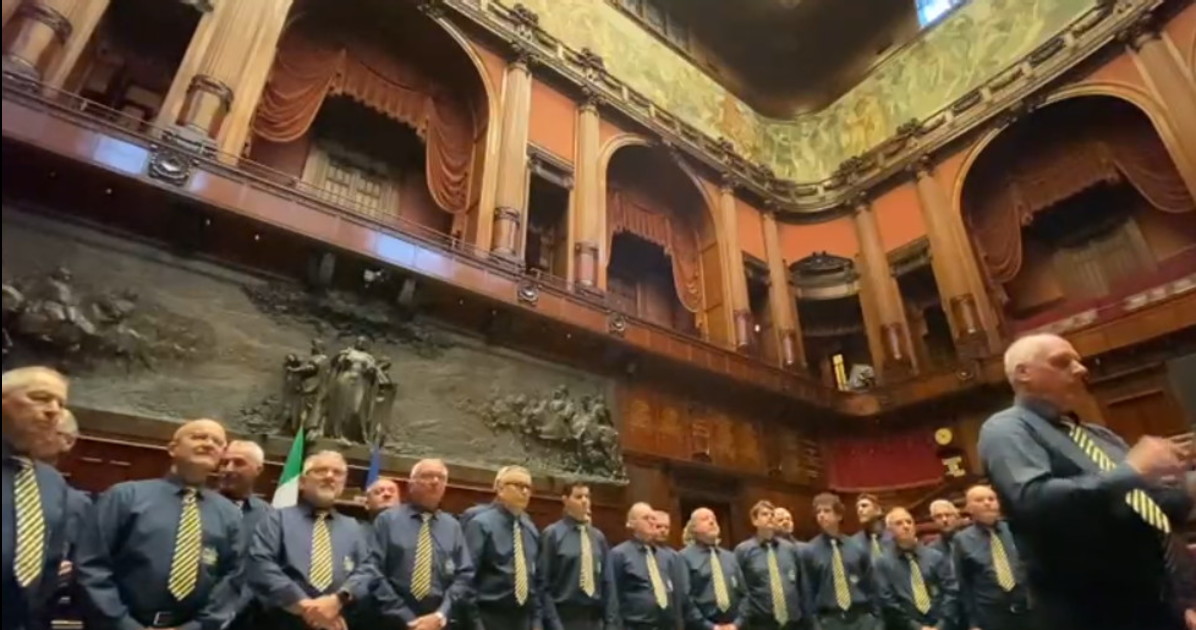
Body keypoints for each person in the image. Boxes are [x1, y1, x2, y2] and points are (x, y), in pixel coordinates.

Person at [978, 333, 1196, 630]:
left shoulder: (1100, 436)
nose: (1081, 369)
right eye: (1062, 362)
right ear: (1023, 373)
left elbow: (1150, 509)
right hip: (1089, 610)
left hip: (1156, 600)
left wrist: (1183, 483)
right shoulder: (1006, 428)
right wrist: (1131, 471)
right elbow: (1034, 500)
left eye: (1078, 361)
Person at [76, 419, 244, 630]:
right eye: (199, 437)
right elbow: (92, 565)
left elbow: (231, 578)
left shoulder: (229, 514)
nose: (209, 444)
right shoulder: (125, 496)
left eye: (218, 442)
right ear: (172, 448)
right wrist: (124, 625)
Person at [249, 451, 374, 630]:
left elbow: (368, 570)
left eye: (337, 473)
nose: (330, 476)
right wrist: (306, 607)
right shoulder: (276, 519)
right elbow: (261, 563)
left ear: (343, 483)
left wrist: (338, 600)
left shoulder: (354, 528)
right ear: (302, 481)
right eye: (321, 470)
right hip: (281, 622)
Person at [2, 366, 73, 630]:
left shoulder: (52, 482)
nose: (54, 410)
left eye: (60, 403)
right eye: (40, 398)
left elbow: (49, 567)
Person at [372, 458, 474, 630]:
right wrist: (408, 619)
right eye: (427, 476)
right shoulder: (387, 521)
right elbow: (373, 571)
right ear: (411, 483)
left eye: (440, 478)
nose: (435, 481)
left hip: (438, 623)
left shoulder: (453, 526)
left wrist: (441, 615)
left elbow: (464, 575)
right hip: (391, 622)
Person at [464, 465, 543, 630]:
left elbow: (534, 581)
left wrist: (536, 622)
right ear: (500, 489)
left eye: (528, 487)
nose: (524, 492)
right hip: (489, 617)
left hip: (522, 620)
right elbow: (467, 580)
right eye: (518, 485)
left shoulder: (530, 529)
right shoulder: (481, 524)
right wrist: (476, 624)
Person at [539, 482, 619, 630]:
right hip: (565, 618)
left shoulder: (598, 537)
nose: (584, 501)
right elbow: (543, 585)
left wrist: (611, 623)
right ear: (565, 500)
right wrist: (554, 625)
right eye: (578, 497)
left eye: (587, 496)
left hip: (595, 619)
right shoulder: (553, 534)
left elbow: (608, 583)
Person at [951, 485, 1029, 630]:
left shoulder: (1013, 529)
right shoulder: (961, 540)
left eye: (991, 499)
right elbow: (964, 585)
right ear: (969, 508)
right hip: (990, 616)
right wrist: (973, 623)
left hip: (1027, 610)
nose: (987, 503)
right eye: (979, 500)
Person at [800, 493, 881, 630]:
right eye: (818, 512)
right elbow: (808, 592)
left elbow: (871, 585)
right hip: (830, 620)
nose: (821, 515)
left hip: (861, 618)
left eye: (826, 511)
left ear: (839, 515)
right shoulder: (810, 550)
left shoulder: (856, 547)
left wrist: (876, 620)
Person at [873, 507, 959, 630]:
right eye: (899, 523)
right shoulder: (883, 563)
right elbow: (888, 602)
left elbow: (950, 592)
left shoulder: (935, 557)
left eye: (909, 522)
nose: (906, 526)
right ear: (889, 531)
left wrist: (941, 625)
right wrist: (917, 628)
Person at [610, 503, 686, 630]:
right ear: (631, 523)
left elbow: (676, 598)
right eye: (646, 518)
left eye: (653, 518)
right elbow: (613, 599)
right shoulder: (619, 554)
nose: (652, 523)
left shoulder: (667, 557)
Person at [734, 500, 807, 629]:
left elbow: (801, 584)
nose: (769, 517)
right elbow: (740, 589)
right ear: (754, 521)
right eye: (764, 514)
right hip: (761, 623)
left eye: (772, 514)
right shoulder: (743, 550)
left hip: (793, 623)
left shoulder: (790, 549)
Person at [679, 508, 745, 630]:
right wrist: (711, 627)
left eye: (714, 519)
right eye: (705, 519)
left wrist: (737, 623)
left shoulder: (730, 557)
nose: (712, 522)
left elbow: (744, 594)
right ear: (693, 528)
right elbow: (685, 599)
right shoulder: (683, 557)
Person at [851, 494, 891, 561]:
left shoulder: (892, 537)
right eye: (857, 508)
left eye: (864, 506)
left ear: (878, 510)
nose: (860, 510)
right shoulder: (854, 542)